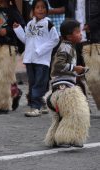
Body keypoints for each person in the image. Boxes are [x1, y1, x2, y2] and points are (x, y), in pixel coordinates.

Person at [44, 19, 90, 148]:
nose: (80, 34)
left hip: (60, 87)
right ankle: (64, 138)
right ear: (69, 36)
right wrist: (75, 68)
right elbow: (58, 65)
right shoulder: (66, 47)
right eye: (77, 32)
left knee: (62, 116)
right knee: (76, 112)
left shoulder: (69, 47)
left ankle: (56, 138)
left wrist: (78, 71)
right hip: (62, 89)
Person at [13, 0, 59, 117]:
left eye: (43, 7)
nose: (40, 10)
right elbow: (26, 39)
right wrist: (18, 30)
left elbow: (55, 39)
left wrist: (40, 50)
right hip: (29, 59)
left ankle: (35, 107)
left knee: (39, 83)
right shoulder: (30, 24)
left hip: (42, 60)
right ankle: (44, 104)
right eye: (37, 7)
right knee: (33, 83)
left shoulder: (48, 24)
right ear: (33, 10)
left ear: (47, 10)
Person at [64, 0, 100, 98]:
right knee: (75, 77)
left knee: (94, 78)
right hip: (74, 41)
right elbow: (67, 15)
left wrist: (91, 25)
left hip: (92, 40)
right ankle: (82, 105)